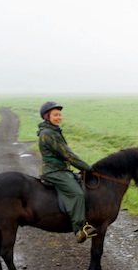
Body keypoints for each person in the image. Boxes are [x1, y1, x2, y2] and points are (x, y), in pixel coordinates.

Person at [37, 101, 97, 243]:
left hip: (60, 169)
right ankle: (80, 229)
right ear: (47, 117)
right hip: (53, 171)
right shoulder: (48, 134)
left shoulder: (53, 131)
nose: (59, 117)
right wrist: (87, 168)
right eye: (55, 115)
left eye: (60, 115)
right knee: (77, 193)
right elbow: (68, 155)